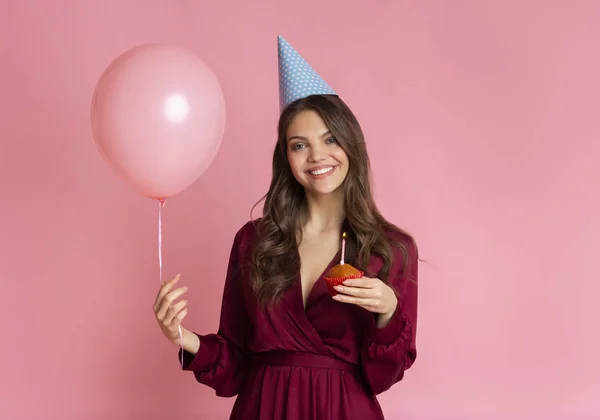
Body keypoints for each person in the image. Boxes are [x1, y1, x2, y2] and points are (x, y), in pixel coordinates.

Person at [152, 35, 419, 420]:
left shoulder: (392, 249)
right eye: (299, 145)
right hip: (264, 409)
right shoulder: (254, 242)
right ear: (286, 157)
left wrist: (388, 312)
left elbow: (383, 376)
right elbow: (236, 366)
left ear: (351, 145)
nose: (317, 156)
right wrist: (180, 337)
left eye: (330, 139)